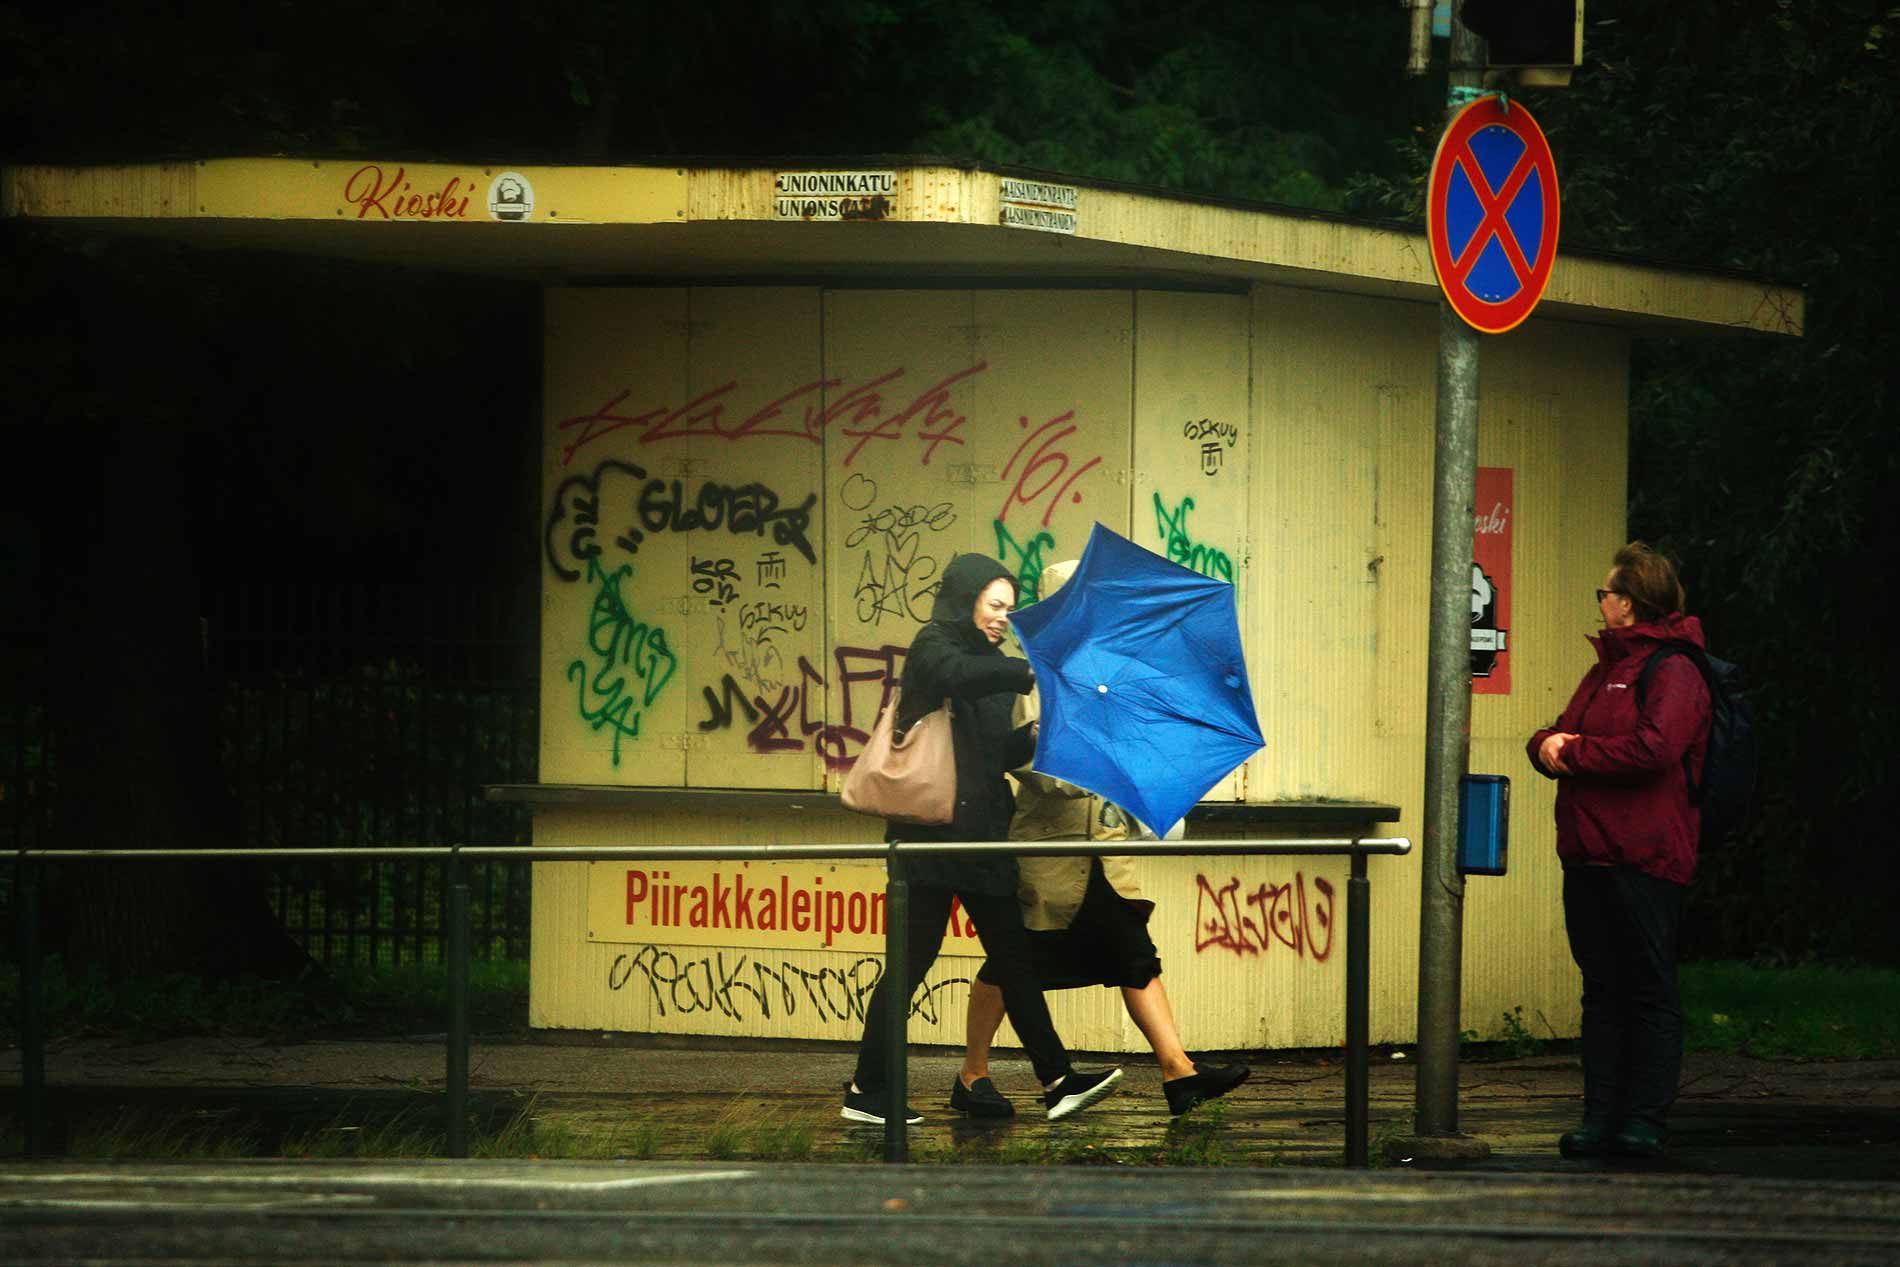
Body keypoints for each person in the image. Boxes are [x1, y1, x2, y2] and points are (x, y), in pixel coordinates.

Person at [946, 559, 1250, 1120]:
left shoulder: (1115, 676)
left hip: (1107, 854)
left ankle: (1178, 1073)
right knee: (1013, 964)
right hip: (1051, 855)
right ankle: (973, 1074)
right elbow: (1029, 764)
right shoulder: (1033, 676)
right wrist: (1091, 764)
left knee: (1136, 957)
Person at [841, 552, 1123, 1126]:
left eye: (1009, 609)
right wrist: (1031, 672)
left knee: (1014, 958)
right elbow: (957, 676)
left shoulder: (996, 667)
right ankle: (868, 1091)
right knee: (910, 965)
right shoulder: (934, 647)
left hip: (984, 838)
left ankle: (1058, 1079)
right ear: (964, 598)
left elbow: (998, 753)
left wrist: (1041, 735)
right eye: (994, 605)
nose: (1002, 617)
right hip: (931, 842)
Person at [1528, 541, 1712, 1160]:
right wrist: (1545, 745)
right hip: (1588, 856)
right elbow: (1558, 728)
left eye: (1604, 593)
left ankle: (1643, 1120)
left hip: (1647, 859)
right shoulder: (1605, 668)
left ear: (1628, 602)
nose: (1600, 602)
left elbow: (1655, 749)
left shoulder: (1676, 670)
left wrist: (1570, 752)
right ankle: (1599, 1117)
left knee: (1649, 989)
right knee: (1601, 990)